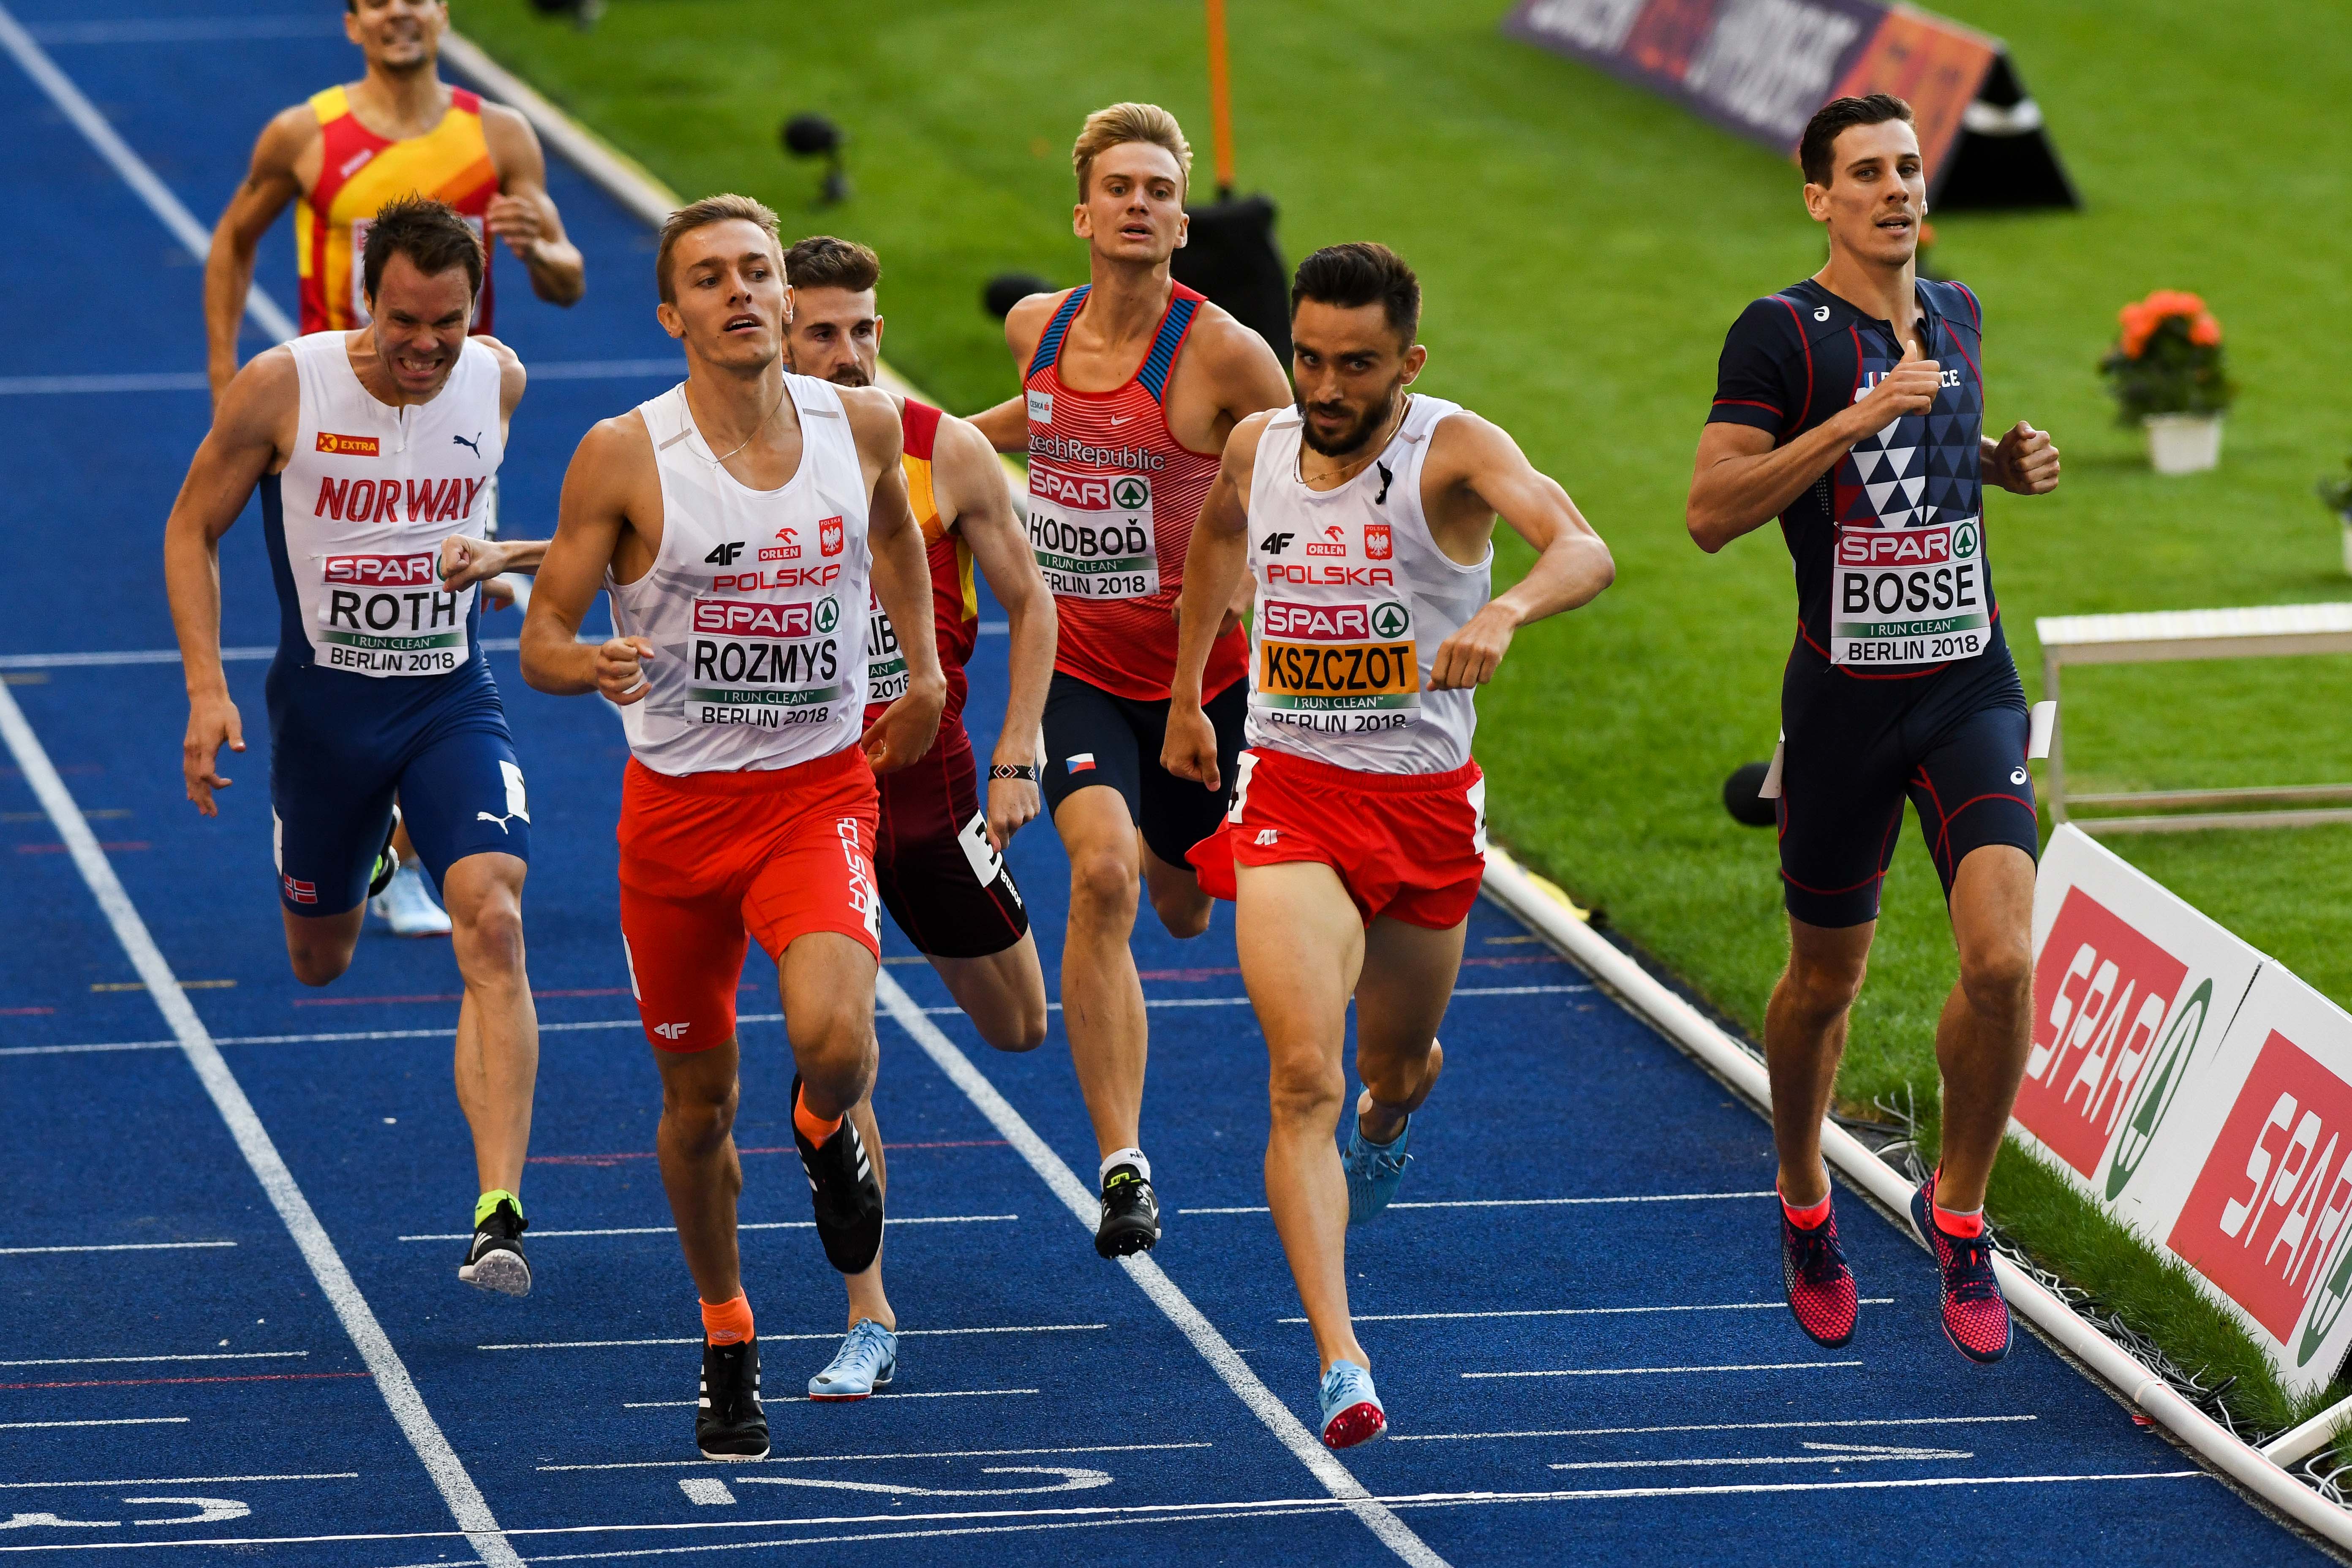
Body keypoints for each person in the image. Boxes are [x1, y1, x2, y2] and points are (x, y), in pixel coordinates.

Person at [1165, 243, 1614, 1447]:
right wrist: (1185, 695)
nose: (1323, 384)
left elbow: (1584, 547)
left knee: (1393, 1066)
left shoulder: (1453, 450)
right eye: (1309, 356)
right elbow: (1215, 537)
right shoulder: (1261, 443)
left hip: (1421, 807)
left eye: (1354, 365)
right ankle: (1340, 1359)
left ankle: (1392, 1121)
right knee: (1301, 1075)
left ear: (1407, 364)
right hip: (1291, 797)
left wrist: (1509, 611)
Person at [519, 195, 945, 1460]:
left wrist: (919, 673)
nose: (744, 292)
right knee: (697, 1105)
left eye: (758, 270)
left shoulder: (857, 421)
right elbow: (540, 633)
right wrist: (581, 658)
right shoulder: (624, 455)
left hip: (815, 792)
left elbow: (896, 535)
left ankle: (823, 1131)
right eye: (712, 278)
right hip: (677, 822)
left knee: (835, 1039)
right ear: (674, 315)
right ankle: (727, 1330)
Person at [1685, 94, 2062, 1364]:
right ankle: (1804, 1202)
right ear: (1818, 198)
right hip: (1843, 703)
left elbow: (1929, 473)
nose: (1896, 189)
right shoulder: (1780, 334)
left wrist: (1999, 463)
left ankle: (1957, 1215)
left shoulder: (1955, 314)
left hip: (1969, 683)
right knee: (1823, 984)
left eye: (1908, 168)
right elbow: (1709, 512)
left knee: (2005, 962)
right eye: (1867, 173)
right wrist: (1853, 417)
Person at [166, 197, 550, 1296]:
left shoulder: (499, 380)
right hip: (324, 718)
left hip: (450, 700)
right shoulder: (285, 386)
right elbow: (192, 527)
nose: (427, 346)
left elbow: (489, 514)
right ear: (360, 300)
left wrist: (506, 554)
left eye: (450, 321)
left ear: (476, 308)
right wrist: (206, 691)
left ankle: (499, 1212)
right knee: (320, 960)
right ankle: (374, 850)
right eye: (404, 320)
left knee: (496, 915)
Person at [968, 103, 1292, 1257]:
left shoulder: (1225, 355)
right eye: (1121, 187)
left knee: (1182, 899)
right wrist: (939, 447)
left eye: (1161, 188)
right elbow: (1042, 418)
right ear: (1084, 211)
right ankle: (1123, 1167)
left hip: (1205, 682)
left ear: (1183, 220)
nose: (1140, 204)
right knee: (1100, 878)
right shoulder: (1036, 327)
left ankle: (1177, 840)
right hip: (1076, 668)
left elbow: (1304, 467)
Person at [206, 0, 586, 936]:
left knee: (444, 626)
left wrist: (546, 247)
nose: (401, 15)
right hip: (329, 426)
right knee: (341, 637)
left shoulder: (498, 133)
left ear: (442, 13)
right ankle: (339, 809)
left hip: (452, 416)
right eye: (379, 1)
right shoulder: (307, 133)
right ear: (353, 22)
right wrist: (226, 375)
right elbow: (233, 241)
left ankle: (412, 847)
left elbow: (567, 279)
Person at [779, 235, 1056, 1400]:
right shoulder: (738, 455)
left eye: (864, 331)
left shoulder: (944, 448)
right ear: (779, 337)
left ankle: (833, 1079)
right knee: (838, 1050)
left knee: (1020, 1028)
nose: (849, 357)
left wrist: (1018, 748)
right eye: (823, 334)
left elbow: (1034, 603)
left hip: (936, 789)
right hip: (803, 798)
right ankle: (869, 1313)